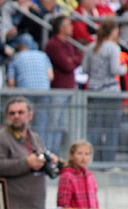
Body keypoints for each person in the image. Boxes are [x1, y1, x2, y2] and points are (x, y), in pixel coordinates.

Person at [0, 96, 59, 209]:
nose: (16, 116)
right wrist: (27, 163)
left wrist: (49, 161)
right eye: (12, 113)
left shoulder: (35, 137)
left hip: (37, 207)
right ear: (7, 116)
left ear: (30, 115)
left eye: (21, 112)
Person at [82, 19, 127, 163]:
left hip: (94, 91)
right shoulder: (113, 47)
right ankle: (107, 162)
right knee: (111, 129)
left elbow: (85, 69)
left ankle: (88, 160)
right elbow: (115, 69)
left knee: (94, 128)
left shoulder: (91, 46)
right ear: (113, 31)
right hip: (110, 92)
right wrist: (124, 68)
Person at [44, 14, 83, 155]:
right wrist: (72, 60)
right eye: (69, 24)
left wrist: (73, 59)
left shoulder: (68, 43)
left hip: (69, 90)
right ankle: (50, 152)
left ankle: (59, 154)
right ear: (61, 28)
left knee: (64, 125)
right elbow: (66, 64)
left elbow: (78, 57)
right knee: (53, 124)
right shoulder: (53, 44)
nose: (72, 27)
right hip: (58, 90)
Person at [6, 36, 53, 144]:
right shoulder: (42, 55)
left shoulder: (16, 57)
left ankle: (26, 147)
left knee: (23, 123)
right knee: (41, 124)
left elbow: (11, 82)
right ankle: (40, 149)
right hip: (43, 92)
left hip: (24, 94)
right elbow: (50, 76)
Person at [57, 139, 99, 208]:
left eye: (87, 154)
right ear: (71, 155)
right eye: (79, 153)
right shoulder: (67, 176)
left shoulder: (90, 176)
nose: (83, 158)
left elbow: (95, 202)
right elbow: (63, 204)